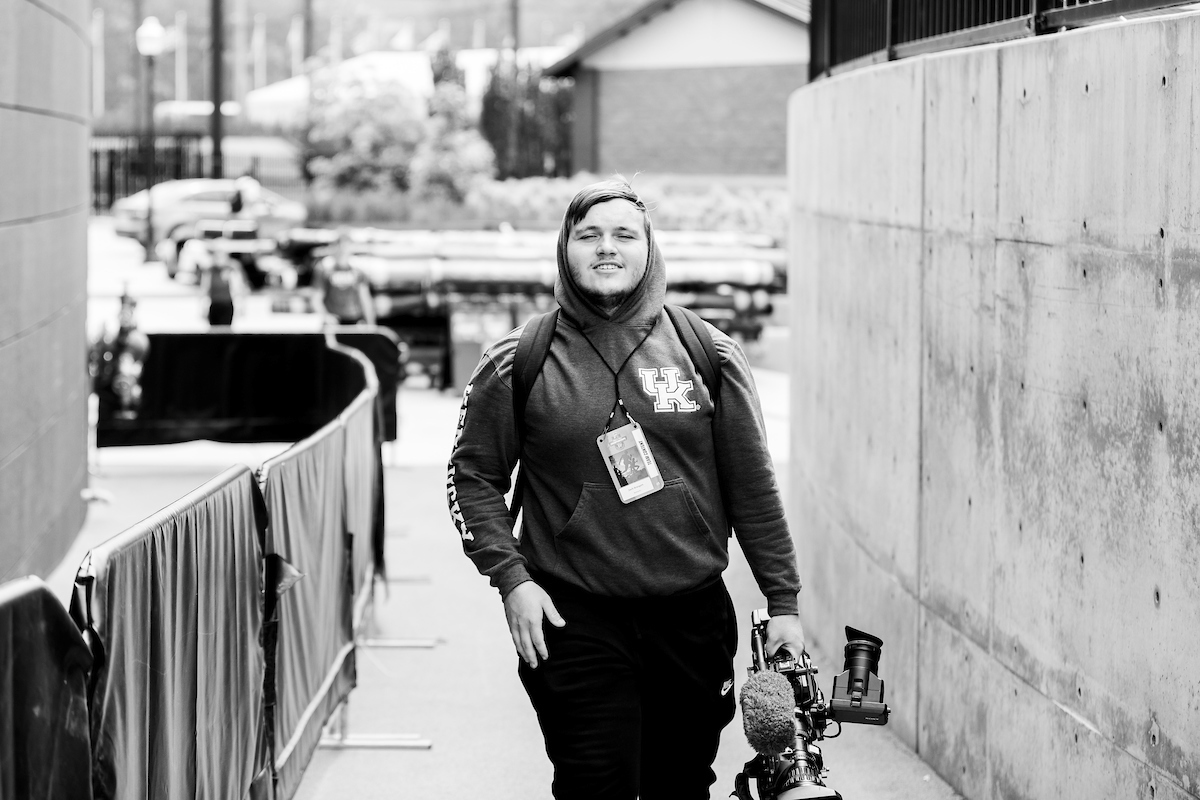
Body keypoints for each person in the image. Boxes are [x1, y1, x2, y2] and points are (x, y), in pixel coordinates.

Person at [446, 178, 805, 800]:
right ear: (566, 250)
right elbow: (471, 477)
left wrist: (784, 602)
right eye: (588, 235)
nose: (606, 247)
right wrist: (513, 580)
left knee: (679, 786)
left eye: (623, 235)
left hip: (691, 617)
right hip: (571, 615)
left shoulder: (709, 354)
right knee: (594, 785)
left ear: (648, 248)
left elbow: (754, 488)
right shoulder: (517, 359)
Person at [315, 230, 376, 325]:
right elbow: (316, 298)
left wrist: (371, 324)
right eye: (340, 246)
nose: (343, 250)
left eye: (346, 246)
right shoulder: (325, 269)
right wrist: (326, 316)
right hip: (333, 321)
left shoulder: (358, 271)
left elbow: (365, 299)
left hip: (354, 320)